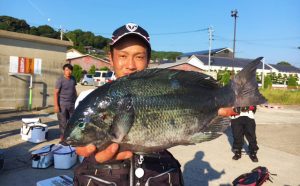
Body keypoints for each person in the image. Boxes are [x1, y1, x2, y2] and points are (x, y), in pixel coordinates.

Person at [73, 23, 185, 186]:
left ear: (148, 60)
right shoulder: (88, 99)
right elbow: (81, 144)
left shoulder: (165, 95)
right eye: (123, 56)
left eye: (139, 57)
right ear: (111, 58)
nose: (131, 65)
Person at [54, 63, 77, 140]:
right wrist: (56, 105)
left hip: (71, 103)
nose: (68, 71)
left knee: (72, 120)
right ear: (64, 70)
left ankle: (71, 136)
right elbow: (56, 93)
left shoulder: (73, 79)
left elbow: (74, 90)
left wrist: (76, 100)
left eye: (70, 70)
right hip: (62, 104)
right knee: (63, 122)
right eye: (67, 70)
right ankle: (63, 137)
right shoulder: (60, 80)